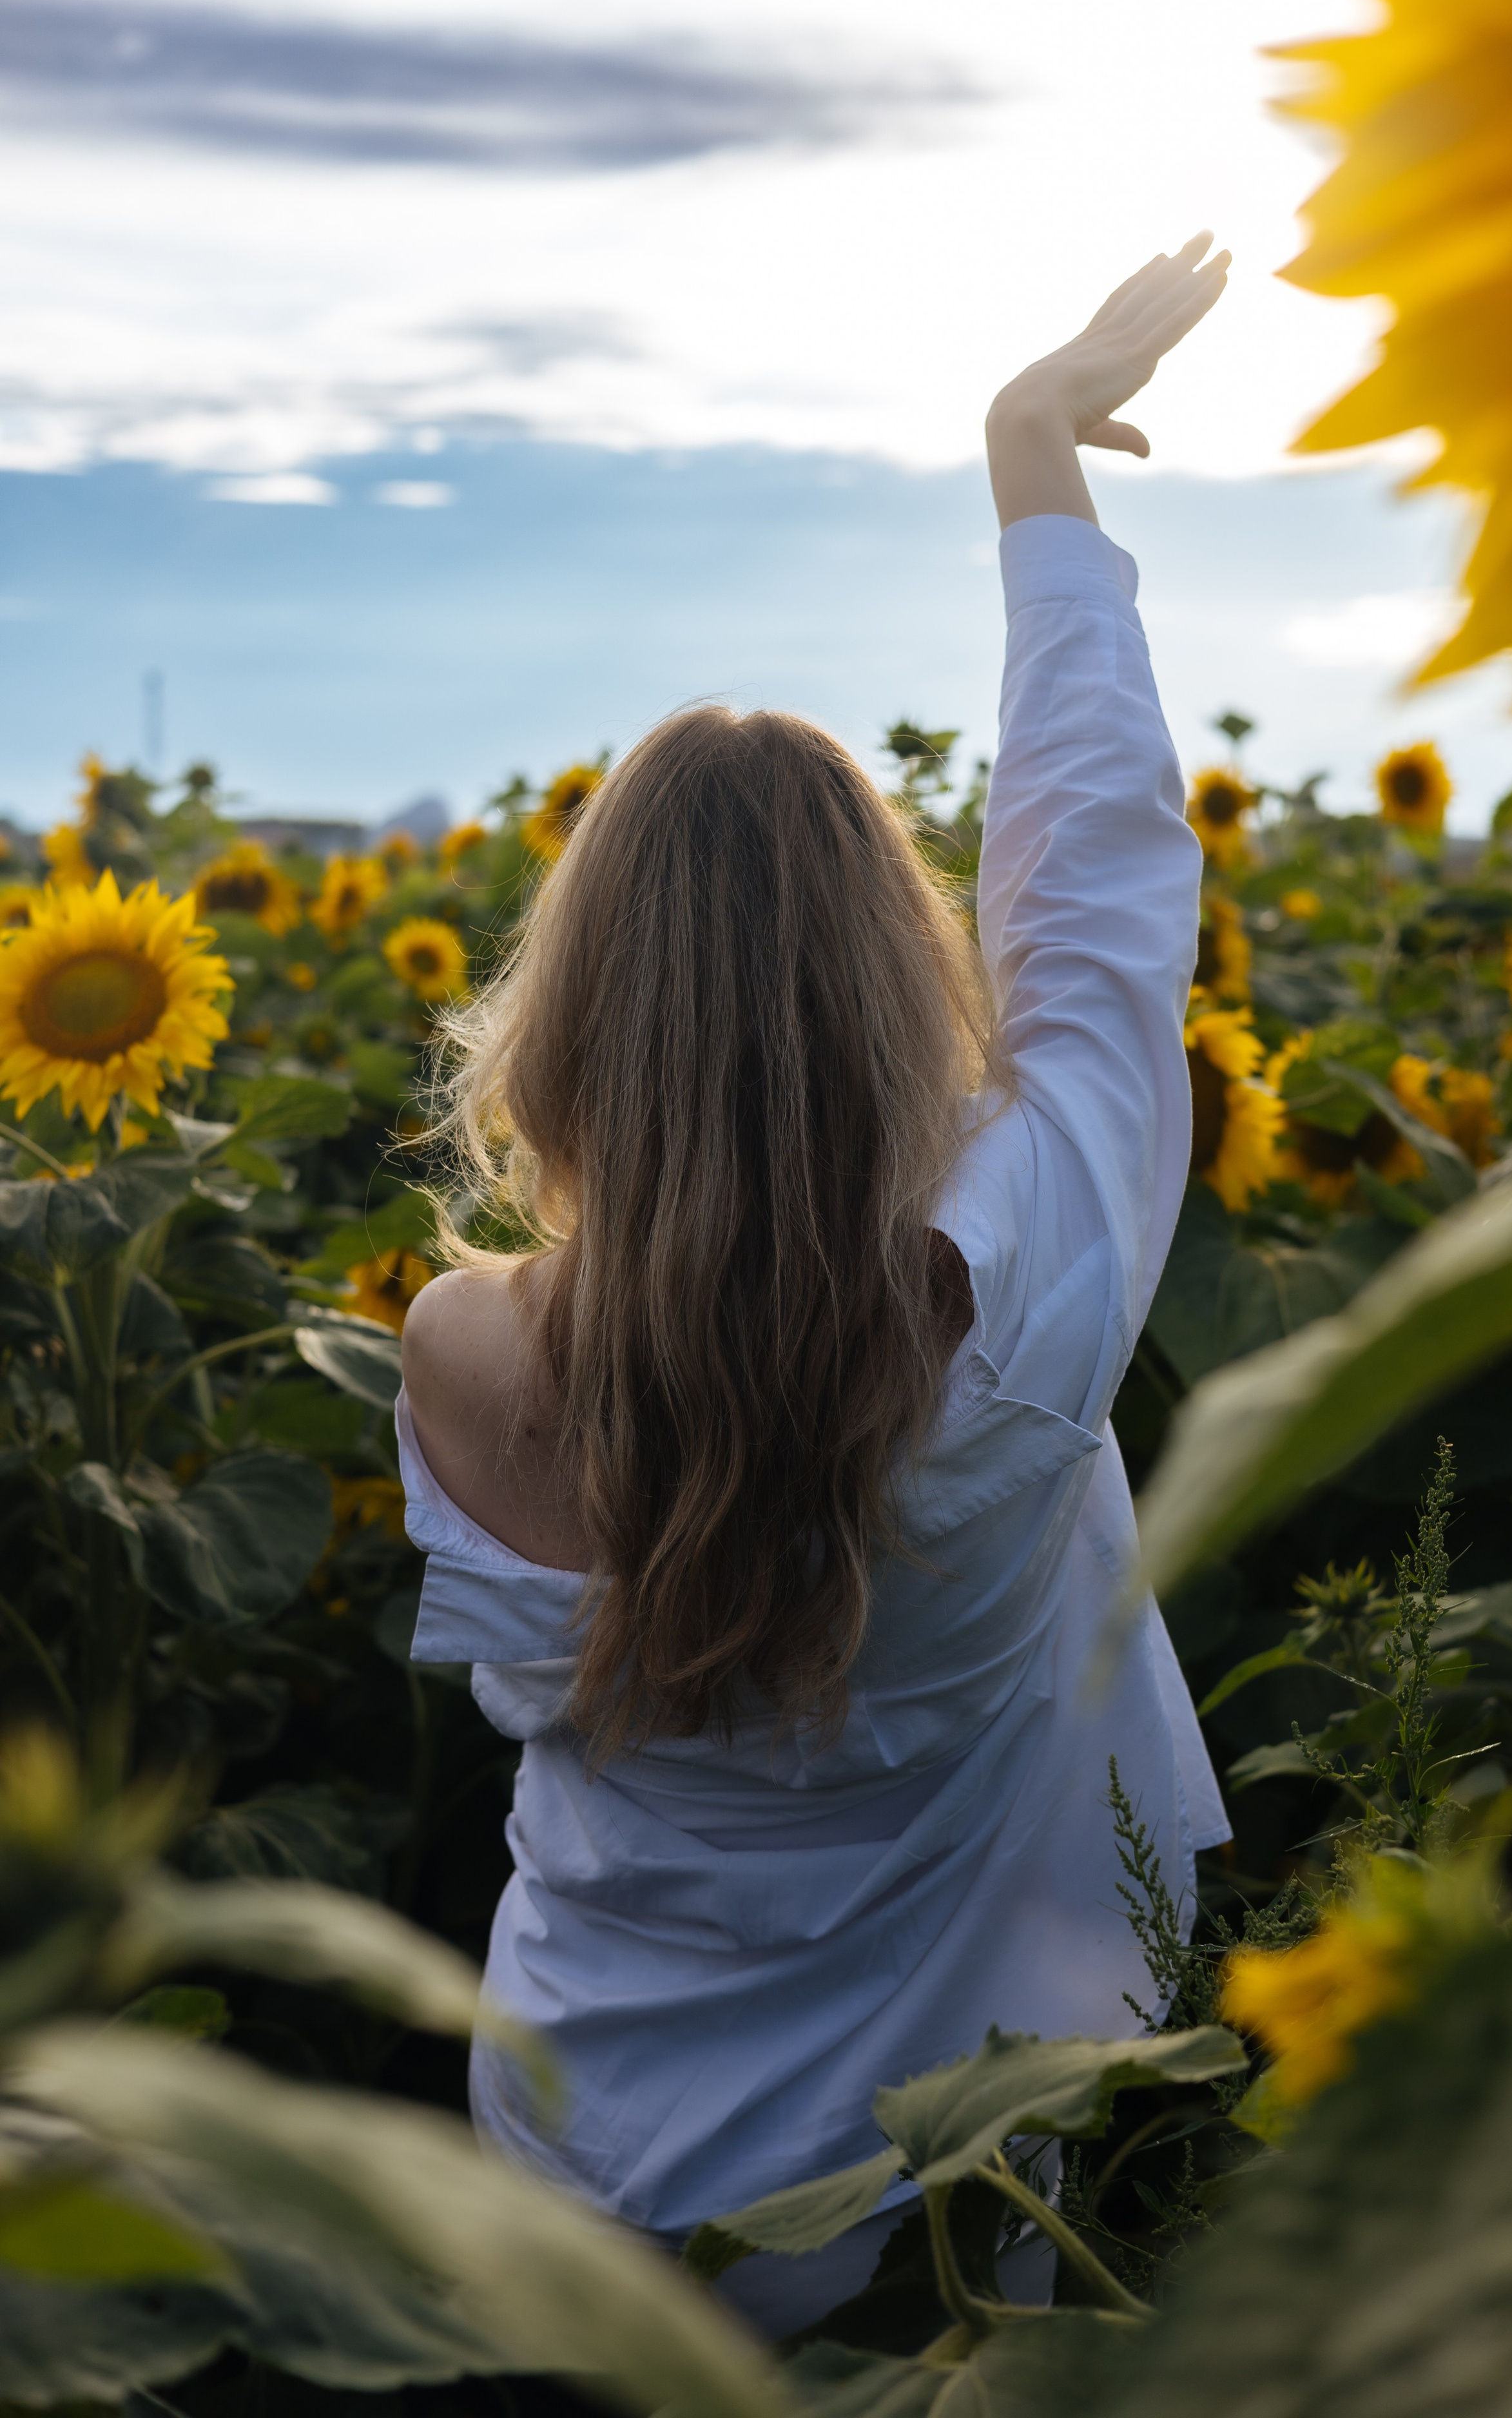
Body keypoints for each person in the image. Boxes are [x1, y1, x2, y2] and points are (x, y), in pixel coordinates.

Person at [398, 233, 1233, 2336]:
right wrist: (1033, 460)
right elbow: (1102, 877)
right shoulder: (1025, 1272)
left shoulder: (468, 1346)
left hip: (570, 2200)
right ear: (896, 977)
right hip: (918, 2224)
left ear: (576, 1007)